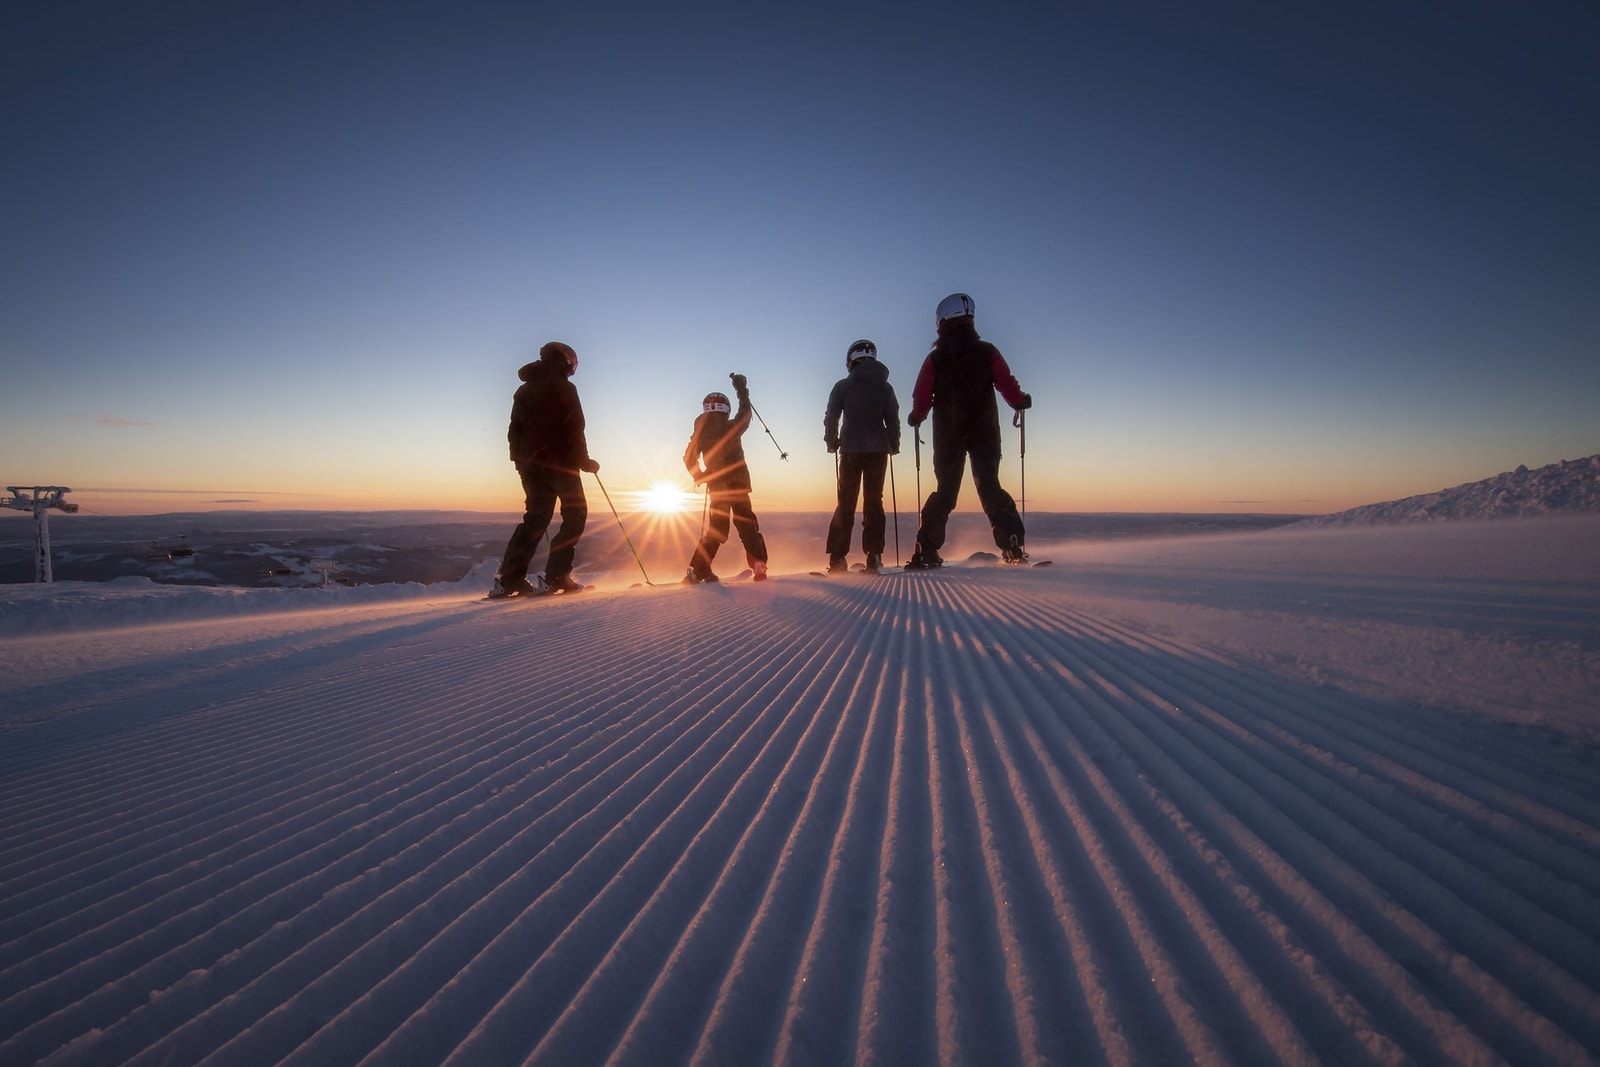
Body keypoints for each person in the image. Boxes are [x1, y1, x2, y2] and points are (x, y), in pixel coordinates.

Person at [905, 293, 1033, 568]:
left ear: (942, 322)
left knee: (945, 492)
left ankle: (926, 548)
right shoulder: (987, 352)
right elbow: (1006, 383)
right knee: (989, 487)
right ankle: (1012, 544)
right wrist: (1020, 402)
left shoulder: (935, 359)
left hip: (948, 434)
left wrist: (916, 417)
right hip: (984, 431)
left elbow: (922, 395)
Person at [489, 341, 600, 597]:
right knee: (576, 515)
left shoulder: (524, 390)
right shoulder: (565, 388)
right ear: (565, 361)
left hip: (529, 465)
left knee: (535, 519)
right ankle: (557, 576)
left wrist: (520, 462)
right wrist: (584, 461)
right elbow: (574, 429)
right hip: (561, 464)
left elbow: (513, 430)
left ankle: (510, 579)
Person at [823, 339, 901, 573]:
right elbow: (893, 419)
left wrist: (831, 442)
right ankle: (874, 555)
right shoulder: (885, 388)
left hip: (851, 449)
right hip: (878, 450)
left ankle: (837, 558)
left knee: (846, 503)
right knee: (874, 501)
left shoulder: (843, 386)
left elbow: (832, 416)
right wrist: (893, 445)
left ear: (851, 360)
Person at [683, 373, 769, 582]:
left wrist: (701, 476)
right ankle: (759, 565)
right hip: (738, 485)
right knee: (747, 525)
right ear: (726, 409)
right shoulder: (732, 427)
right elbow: (746, 412)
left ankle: (697, 570)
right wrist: (741, 388)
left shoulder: (700, 433)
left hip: (718, 487)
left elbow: (688, 458)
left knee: (717, 529)